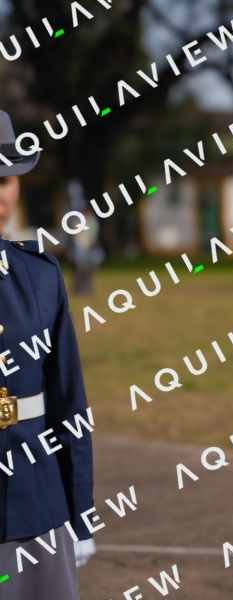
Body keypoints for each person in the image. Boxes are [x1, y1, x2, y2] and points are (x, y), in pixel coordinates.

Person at [0, 110, 95, 598]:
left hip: (36, 503)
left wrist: (81, 514)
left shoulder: (39, 276)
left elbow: (67, 402)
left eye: (5, 180)